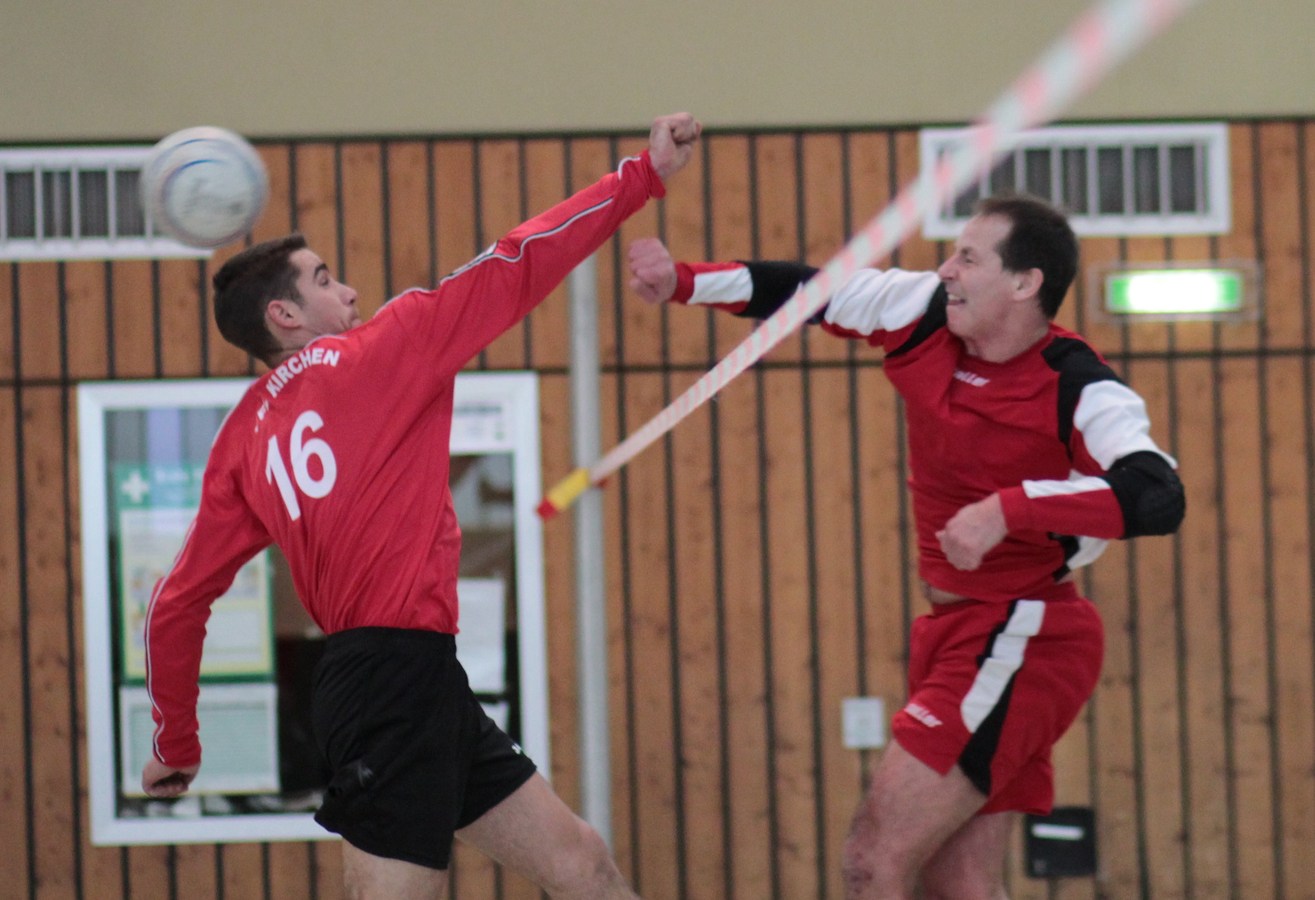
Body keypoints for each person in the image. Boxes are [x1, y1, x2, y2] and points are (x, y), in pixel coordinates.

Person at [142, 112, 701, 900]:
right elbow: (519, 258)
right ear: (286, 316)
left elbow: (176, 601)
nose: (352, 291)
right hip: (385, 681)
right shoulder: (380, 349)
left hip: (415, 675)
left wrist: (176, 737)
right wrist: (639, 176)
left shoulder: (240, 440)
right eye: (328, 279)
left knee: (581, 864)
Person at [627, 194, 1184, 900]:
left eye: (968, 258)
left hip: (1023, 631)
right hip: (959, 631)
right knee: (956, 882)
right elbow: (808, 291)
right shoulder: (921, 308)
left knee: (872, 862)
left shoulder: (1080, 387)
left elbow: (1157, 496)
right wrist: (681, 281)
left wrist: (1008, 509)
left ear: (1024, 283)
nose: (945, 268)